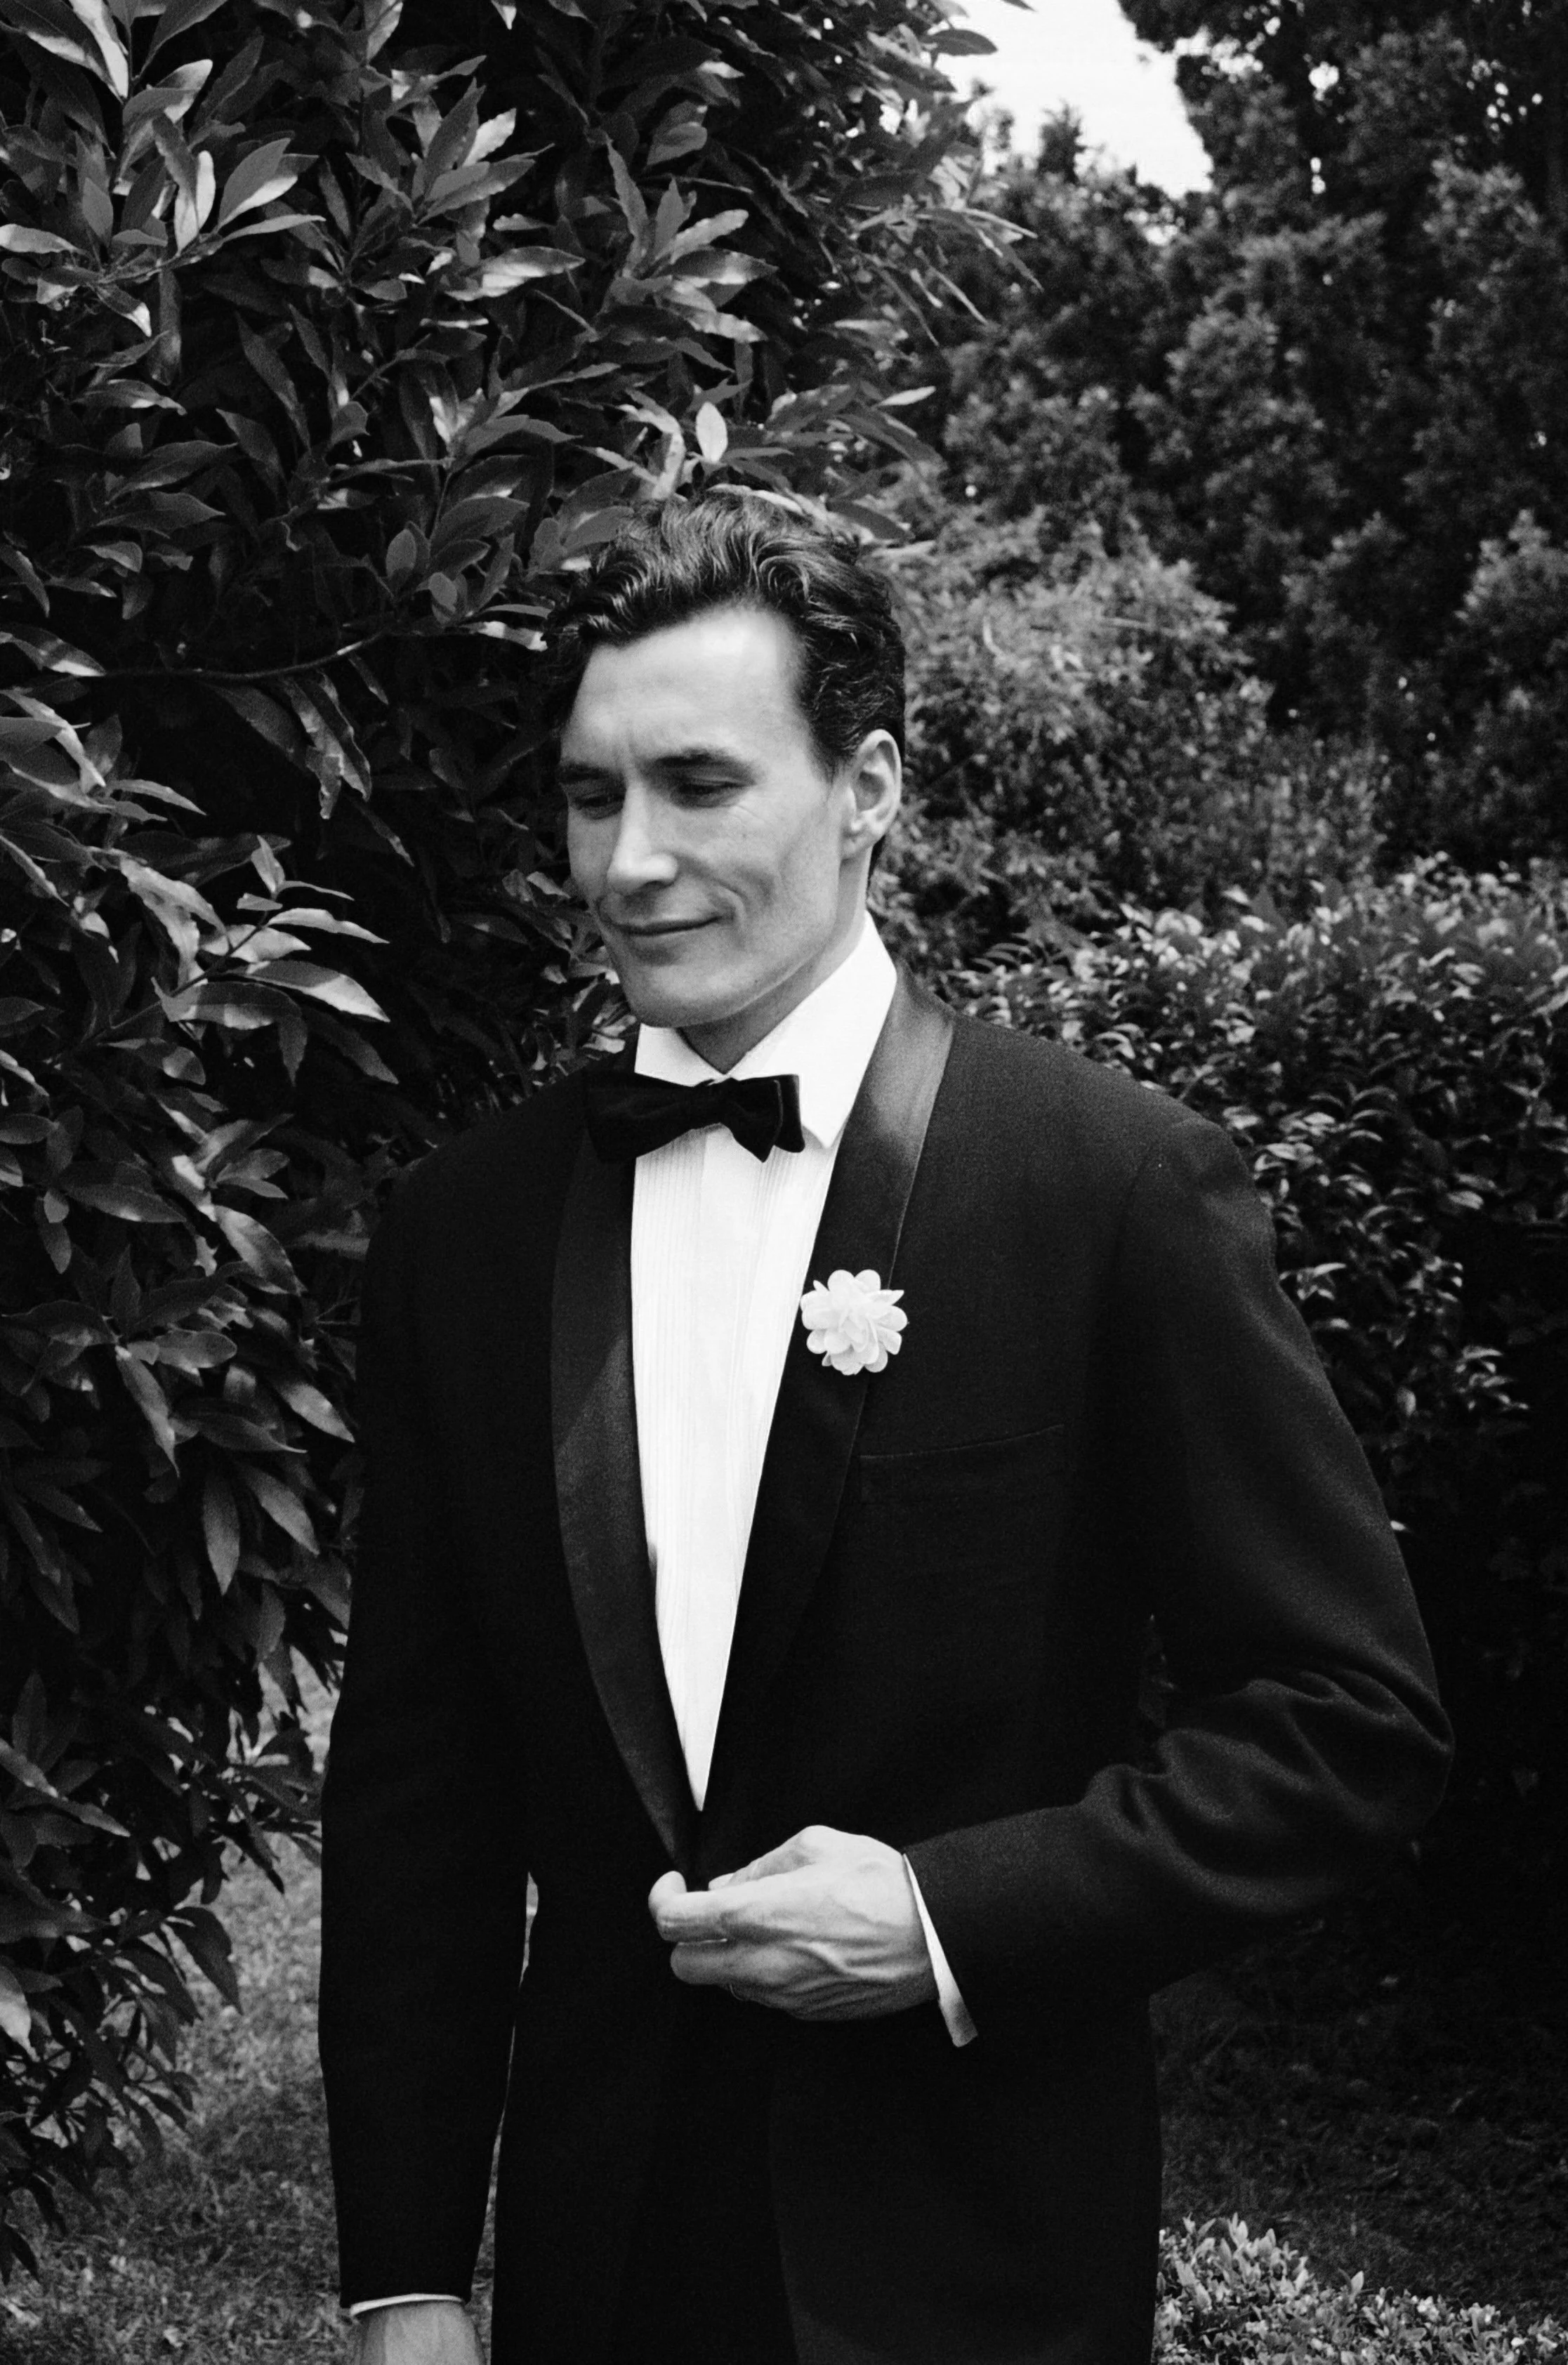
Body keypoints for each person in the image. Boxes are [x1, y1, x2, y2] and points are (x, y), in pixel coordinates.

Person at [319, 494, 1451, 2365]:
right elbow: (416, 1795)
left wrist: (945, 1916)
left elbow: (1347, 1719)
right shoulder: (465, 1234)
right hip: (599, 2269)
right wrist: (408, 2274)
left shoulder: (1112, 1187)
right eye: (592, 797)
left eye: (699, 784)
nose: (630, 860)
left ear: (870, 788)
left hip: (976, 2260)